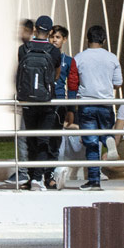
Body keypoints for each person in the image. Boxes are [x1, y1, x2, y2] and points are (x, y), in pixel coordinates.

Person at [73, 25, 122, 191]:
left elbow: (74, 82)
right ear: (104, 40)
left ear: (88, 39)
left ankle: (94, 181)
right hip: (106, 104)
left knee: (91, 144)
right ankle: (107, 139)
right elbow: (118, 83)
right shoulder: (112, 58)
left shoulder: (79, 58)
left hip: (86, 104)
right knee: (103, 133)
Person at [16, 15, 62, 190]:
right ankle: (37, 179)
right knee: (43, 139)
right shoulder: (54, 51)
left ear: (35, 29)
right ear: (50, 31)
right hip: (47, 102)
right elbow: (56, 75)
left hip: (28, 101)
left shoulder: (23, 49)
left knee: (31, 140)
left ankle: (31, 177)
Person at [48, 24, 79, 189]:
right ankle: (43, 173)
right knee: (43, 139)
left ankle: (54, 172)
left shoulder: (68, 61)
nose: (54, 40)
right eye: (52, 36)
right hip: (45, 103)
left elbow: (72, 86)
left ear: (64, 40)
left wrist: (71, 109)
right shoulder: (44, 55)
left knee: (56, 140)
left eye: (58, 37)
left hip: (59, 103)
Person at [7, 18, 36, 185]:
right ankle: (31, 171)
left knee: (24, 136)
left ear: (31, 31)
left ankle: (25, 172)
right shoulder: (29, 48)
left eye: (23, 30)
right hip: (29, 98)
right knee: (28, 136)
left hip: (29, 100)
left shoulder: (26, 49)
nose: (19, 34)